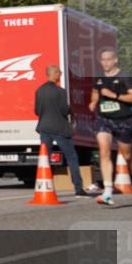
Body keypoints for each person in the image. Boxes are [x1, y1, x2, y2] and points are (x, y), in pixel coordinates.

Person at [88, 46, 132, 206]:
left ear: (115, 60)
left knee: (128, 155)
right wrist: (93, 101)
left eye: (109, 59)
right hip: (104, 119)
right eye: (103, 60)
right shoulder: (99, 78)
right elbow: (95, 92)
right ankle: (108, 192)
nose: (106, 62)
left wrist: (114, 95)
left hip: (123, 120)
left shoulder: (125, 77)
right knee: (104, 151)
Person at [34, 65, 86, 197]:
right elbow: (64, 110)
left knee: (44, 159)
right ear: (55, 74)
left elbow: (37, 111)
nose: (61, 75)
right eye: (60, 73)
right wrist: (70, 109)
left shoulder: (39, 90)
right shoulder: (60, 92)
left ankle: (43, 187)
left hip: (44, 128)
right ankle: (78, 188)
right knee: (71, 157)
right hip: (60, 128)